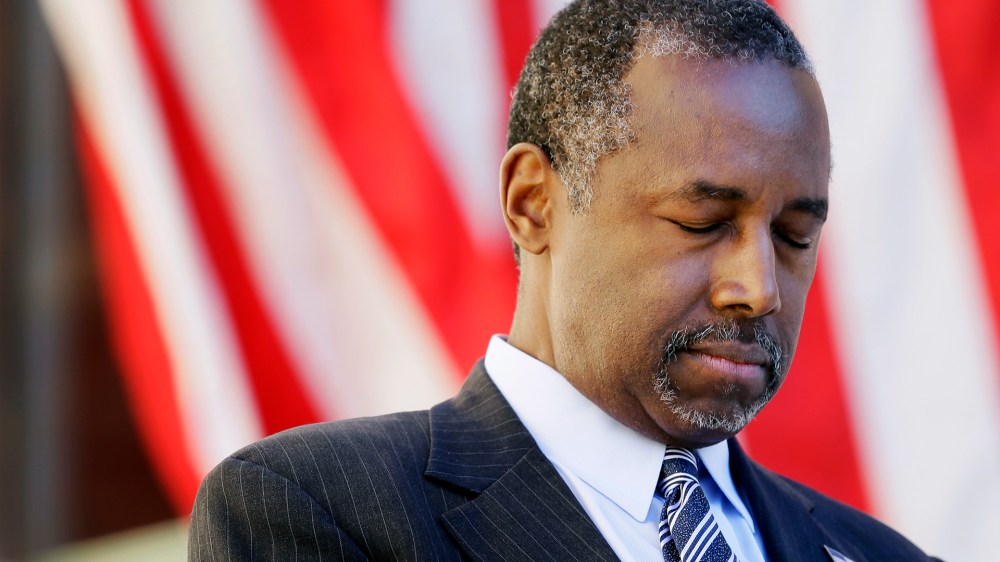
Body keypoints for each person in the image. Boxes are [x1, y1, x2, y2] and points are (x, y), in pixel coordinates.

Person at [189, 1, 941, 560]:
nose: (759, 288)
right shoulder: (315, 511)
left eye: (793, 237)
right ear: (533, 202)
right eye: (703, 221)